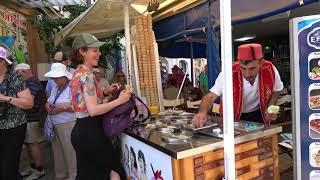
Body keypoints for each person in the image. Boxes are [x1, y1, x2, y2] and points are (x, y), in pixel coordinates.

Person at [69, 33, 131, 180]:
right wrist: (119, 101)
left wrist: (105, 92)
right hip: (92, 132)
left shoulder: (78, 73)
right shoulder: (88, 76)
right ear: (82, 52)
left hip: (80, 131)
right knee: (115, 170)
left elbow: (84, 101)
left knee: (88, 175)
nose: (99, 53)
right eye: (95, 50)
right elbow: (93, 110)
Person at [192, 43, 284, 127]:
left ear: (260, 62)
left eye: (252, 68)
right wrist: (202, 112)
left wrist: (270, 106)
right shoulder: (228, 73)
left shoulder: (270, 69)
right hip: (233, 118)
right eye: (243, 68)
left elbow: (277, 90)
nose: (247, 74)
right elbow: (210, 96)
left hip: (259, 114)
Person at [0, 46, 34, 180]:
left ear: (3, 61)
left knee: (8, 167)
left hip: (13, 128)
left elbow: (29, 103)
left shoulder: (15, 79)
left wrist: (5, 98)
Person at [45, 63, 77, 180]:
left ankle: (73, 175)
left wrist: (61, 108)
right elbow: (48, 102)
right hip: (55, 123)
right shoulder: (55, 88)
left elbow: (77, 106)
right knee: (57, 151)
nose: (55, 80)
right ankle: (61, 174)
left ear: (65, 77)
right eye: (54, 78)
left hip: (68, 123)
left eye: (57, 78)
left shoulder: (72, 87)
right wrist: (47, 106)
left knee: (69, 151)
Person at [14, 63, 46, 179]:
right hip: (27, 117)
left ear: (24, 71)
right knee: (28, 143)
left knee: (32, 143)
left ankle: (39, 169)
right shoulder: (29, 82)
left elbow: (28, 101)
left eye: (18, 74)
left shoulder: (32, 81)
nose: (17, 77)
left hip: (32, 117)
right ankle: (33, 167)